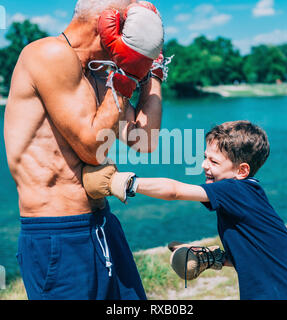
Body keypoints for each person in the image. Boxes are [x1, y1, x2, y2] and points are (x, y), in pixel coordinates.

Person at [4, 0, 165, 300]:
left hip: (102, 225)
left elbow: (145, 140)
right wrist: (126, 77)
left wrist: (151, 73)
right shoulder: (48, 54)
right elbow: (92, 148)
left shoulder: (99, 74)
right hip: (59, 233)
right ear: (108, 24)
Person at [83, 120, 287, 300]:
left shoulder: (235, 190)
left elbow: (175, 191)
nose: (205, 165)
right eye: (206, 156)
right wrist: (214, 258)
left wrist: (127, 183)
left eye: (214, 161)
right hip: (285, 284)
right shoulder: (246, 193)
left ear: (241, 170)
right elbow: (259, 253)